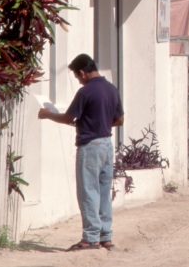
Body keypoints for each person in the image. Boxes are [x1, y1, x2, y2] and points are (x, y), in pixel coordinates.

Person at [39, 54, 124, 251]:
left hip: (90, 146)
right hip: (107, 143)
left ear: (82, 73)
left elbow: (69, 118)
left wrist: (47, 114)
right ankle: (105, 236)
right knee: (104, 191)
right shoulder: (112, 89)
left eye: (77, 77)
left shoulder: (85, 92)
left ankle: (90, 237)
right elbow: (119, 120)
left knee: (88, 192)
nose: (78, 80)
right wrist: (99, 124)